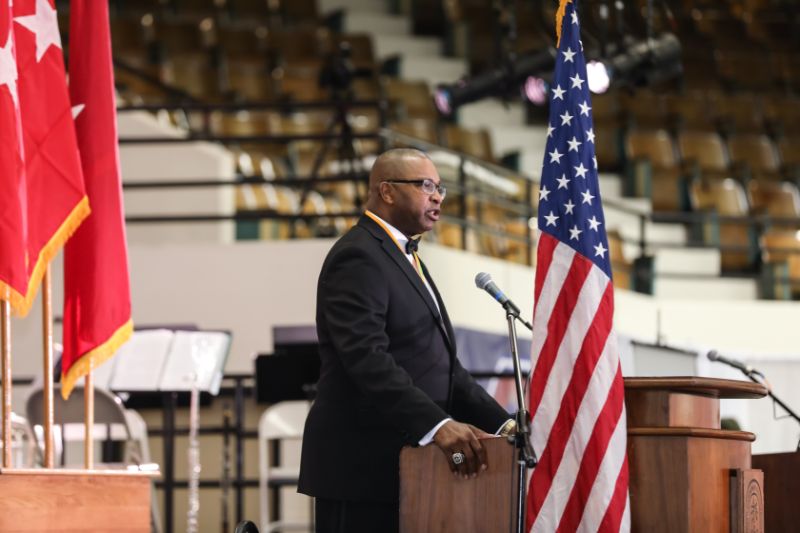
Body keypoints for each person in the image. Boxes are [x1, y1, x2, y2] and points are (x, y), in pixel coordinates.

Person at [298, 148, 515, 532]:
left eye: (440, 188)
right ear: (387, 191)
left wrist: (507, 428)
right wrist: (437, 424)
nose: (437, 197)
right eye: (426, 186)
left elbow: (446, 370)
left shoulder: (406, 256)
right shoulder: (358, 255)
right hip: (361, 467)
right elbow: (367, 357)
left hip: (409, 466)